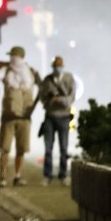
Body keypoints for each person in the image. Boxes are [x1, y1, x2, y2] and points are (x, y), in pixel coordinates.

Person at [0, 45, 40, 187]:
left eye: (13, 56)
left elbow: (42, 86)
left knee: (21, 149)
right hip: (8, 117)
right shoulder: (7, 70)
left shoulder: (30, 71)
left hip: (25, 117)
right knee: (5, 149)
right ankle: (3, 178)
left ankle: (17, 176)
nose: (12, 58)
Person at [38, 56, 75, 186]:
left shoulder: (68, 78)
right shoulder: (47, 80)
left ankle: (63, 175)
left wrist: (59, 100)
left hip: (64, 117)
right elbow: (42, 97)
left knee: (63, 148)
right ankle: (47, 175)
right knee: (48, 148)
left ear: (62, 66)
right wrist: (49, 100)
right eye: (55, 66)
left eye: (59, 66)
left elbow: (71, 98)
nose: (57, 68)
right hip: (50, 116)